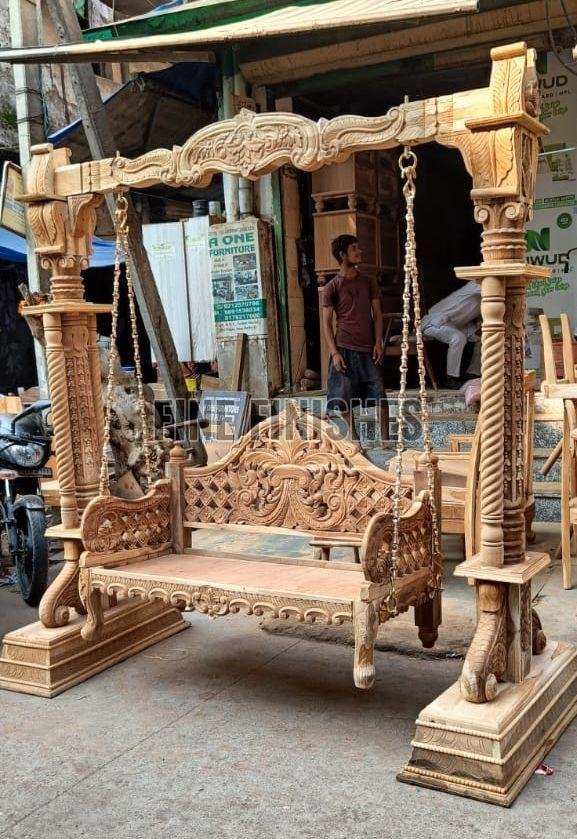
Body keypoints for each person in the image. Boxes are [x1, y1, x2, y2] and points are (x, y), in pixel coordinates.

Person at [321, 234, 389, 443]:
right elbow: (326, 323)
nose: (359, 252)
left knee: (379, 395)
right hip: (344, 348)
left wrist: (378, 342)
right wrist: (334, 353)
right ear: (343, 255)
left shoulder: (368, 281)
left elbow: (377, 314)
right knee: (342, 397)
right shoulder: (332, 287)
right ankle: (354, 438)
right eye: (354, 248)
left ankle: (386, 440)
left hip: (369, 348)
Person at [421, 280, 481, 388]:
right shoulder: (477, 283)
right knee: (458, 338)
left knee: (483, 337)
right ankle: (452, 379)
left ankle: (472, 374)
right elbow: (495, 290)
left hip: (456, 325)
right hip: (434, 320)